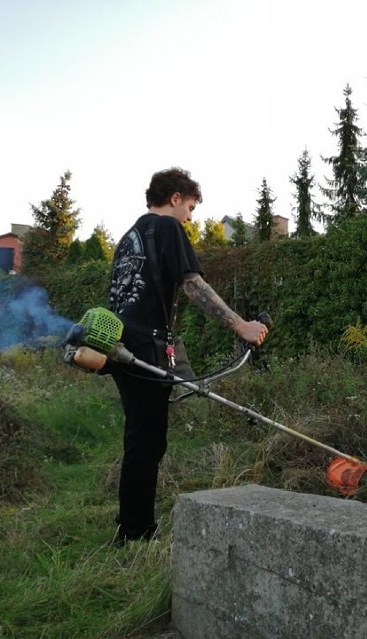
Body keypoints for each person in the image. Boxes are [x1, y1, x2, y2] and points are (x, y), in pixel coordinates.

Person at [108, 167, 267, 544]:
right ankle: (135, 532)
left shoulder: (129, 237)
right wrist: (240, 325)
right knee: (147, 442)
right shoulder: (167, 228)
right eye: (191, 207)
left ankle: (132, 525)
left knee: (139, 437)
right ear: (175, 197)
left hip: (117, 344)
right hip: (146, 345)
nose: (191, 217)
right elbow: (193, 286)